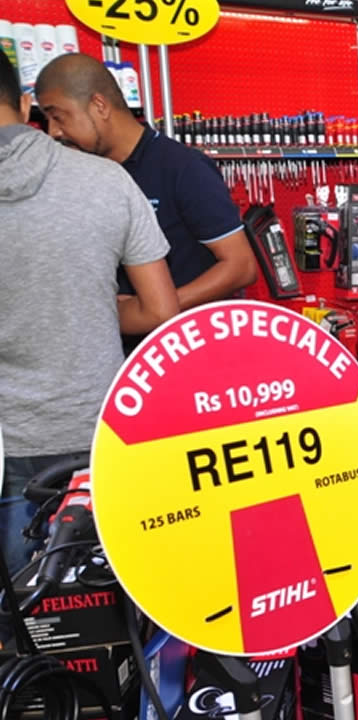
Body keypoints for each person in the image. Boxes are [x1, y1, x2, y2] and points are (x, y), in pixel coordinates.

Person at [0, 52, 178, 573]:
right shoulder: (107, 181)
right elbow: (161, 311)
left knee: (23, 610)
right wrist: (88, 303)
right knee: (114, 597)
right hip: (103, 432)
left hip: (9, 445)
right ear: (26, 105)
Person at [35, 54, 257, 352]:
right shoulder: (84, 176)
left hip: (185, 353)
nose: (53, 132)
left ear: (99, 105)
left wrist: (153, 309)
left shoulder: (182, 167)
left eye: (58, 117)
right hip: (117, 354)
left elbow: (241, 266)